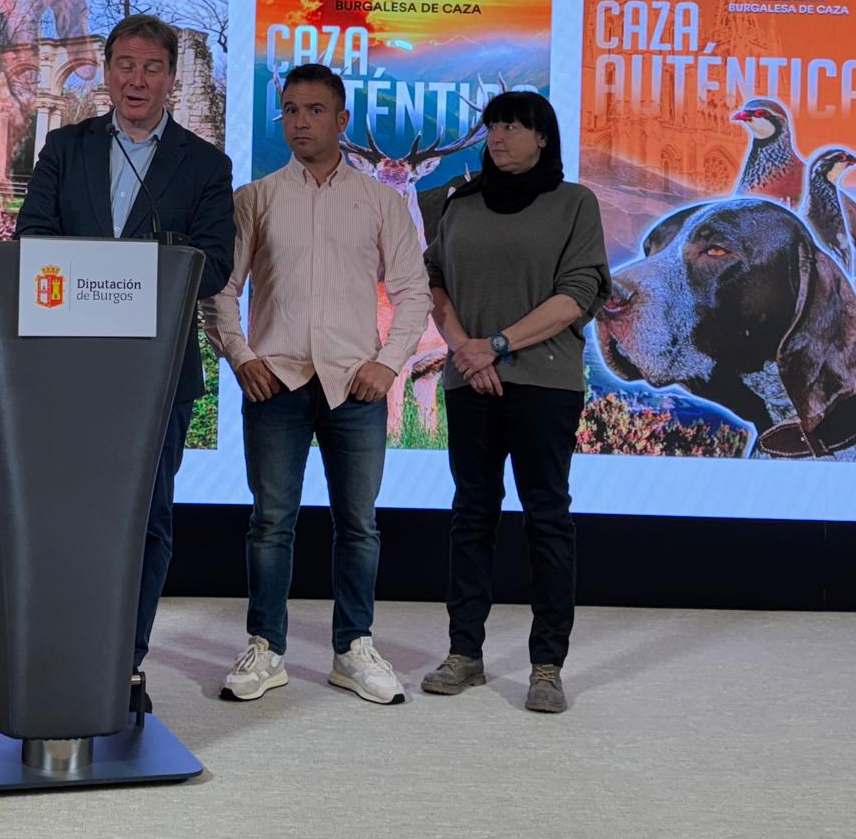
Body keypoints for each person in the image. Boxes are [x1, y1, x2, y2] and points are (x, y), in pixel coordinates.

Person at [16, 13, 234, 698]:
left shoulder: (206, 165)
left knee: (147, 518)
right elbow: (33, 238)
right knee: (65, 512)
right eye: (125, 66)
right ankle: (62, 647)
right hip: (69, 367)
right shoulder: (64, 148)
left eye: (152, 68)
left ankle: (123, 658)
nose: (137, 80)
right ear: (107, 72)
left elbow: (216, 265)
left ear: (171, 80)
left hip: (157, 371)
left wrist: (137, 270)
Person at [203, 64, 430, 704]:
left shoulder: (382, 201)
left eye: (314, 110)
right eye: (291, 111)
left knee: (359, 525)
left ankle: (353, 648)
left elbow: (413, 293)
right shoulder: (256, 198)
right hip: (274, 383)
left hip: (355, 385)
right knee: (270, 523)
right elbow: (221, 290)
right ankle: (266, 648)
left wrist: (388, 362)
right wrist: (240, 356)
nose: (299, 122)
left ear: (342, 120)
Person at [419, 91, 610, 713]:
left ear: (543, 137)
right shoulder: (459, 203)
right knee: (472, 515)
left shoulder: (574, 203)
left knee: (546, 517)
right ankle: (464, 654)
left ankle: (547, 665)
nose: (497, 137)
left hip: (544, 381)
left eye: (512, 127)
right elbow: (433, 280)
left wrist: (495, 345)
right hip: (469, 380)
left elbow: (577, 294)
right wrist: (464, 349)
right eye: (492, 126)